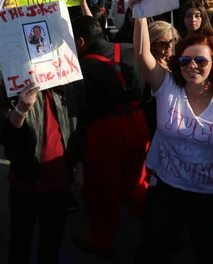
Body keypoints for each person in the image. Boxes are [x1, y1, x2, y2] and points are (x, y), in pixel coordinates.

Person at [130, 0, 213, 264]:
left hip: (207, 197)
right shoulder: (167, 86)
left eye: (201, 61)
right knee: (154, 250)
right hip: (167, 189)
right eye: (185, 60)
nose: (192, 66)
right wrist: (139, 13)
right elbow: (142, 53)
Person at [71, 15, 150, 258]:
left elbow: (79, 113)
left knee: (102, 189)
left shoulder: (82, 68)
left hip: (106, 131)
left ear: (82, 41)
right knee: (137, 182)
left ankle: (101, 242)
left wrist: (76, 155)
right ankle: (162, 226)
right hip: (138, 123)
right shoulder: (127, 49)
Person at [0, 80, 84, 264]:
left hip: (59, 181)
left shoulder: (67, 80)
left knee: (52, 242)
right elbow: (3, 135)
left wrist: (79, 165)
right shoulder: (12, 83)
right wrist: (20, 110)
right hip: (25, 180)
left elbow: (78, 128)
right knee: (21, 243)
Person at [142, 21, 180, 137]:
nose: (169, 46)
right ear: (152, 44)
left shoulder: (178, 61)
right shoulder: (149, 66)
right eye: (162, 43)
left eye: (172, 40)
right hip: (155, 117)